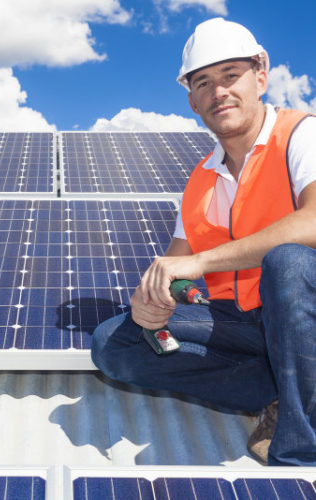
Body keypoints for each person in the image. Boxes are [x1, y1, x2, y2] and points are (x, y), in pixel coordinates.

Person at [91, 17, 316, 466]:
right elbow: (174, 275)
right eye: (204, 83)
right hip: (246, 330)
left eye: (231, 76)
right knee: (116, 343)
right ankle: (275, 392)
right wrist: (150, 306)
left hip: (306, 319)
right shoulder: (199, 181)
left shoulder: (301, 135)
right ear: (192, 101)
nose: (219, 92)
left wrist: (202, 262)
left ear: (260, 76)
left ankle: (300, 448)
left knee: (288, 262)